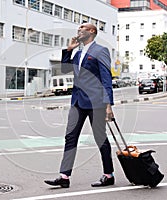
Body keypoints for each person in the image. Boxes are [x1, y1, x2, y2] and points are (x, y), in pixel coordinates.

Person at [44, 23, 115, 188]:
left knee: (100, 138)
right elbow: (64, 69)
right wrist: (69, 50)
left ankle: (108, 174)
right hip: (77, 101)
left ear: (91, 31)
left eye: (82, 27)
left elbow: (106, 78)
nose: (79, 29)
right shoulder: (78, 53)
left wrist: (108, 105)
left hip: (95, 102)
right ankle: (64, 176)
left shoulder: (100, 51)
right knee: (70, 137)